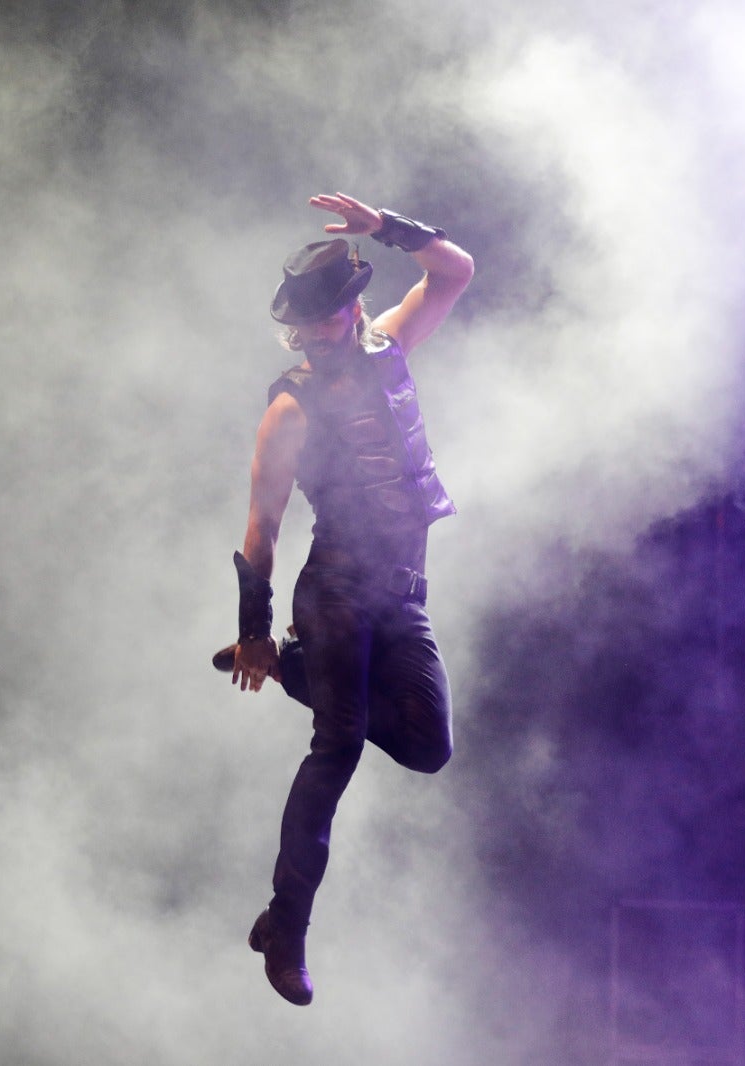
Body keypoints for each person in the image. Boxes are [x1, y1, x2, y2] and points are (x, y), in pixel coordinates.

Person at [224, 192, 475, 1004]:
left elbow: (455, 272)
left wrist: (385, 227)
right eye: (309, 326)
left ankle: (307, 675)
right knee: (336, 749)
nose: (322, 334)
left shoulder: (390, 344)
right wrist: (255, 630)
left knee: (427, 746)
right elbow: (260, 527)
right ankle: (284, 929)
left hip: (402, 594)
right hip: (333, 589)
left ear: (355, 305)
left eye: (333, 318)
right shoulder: (291, 406)